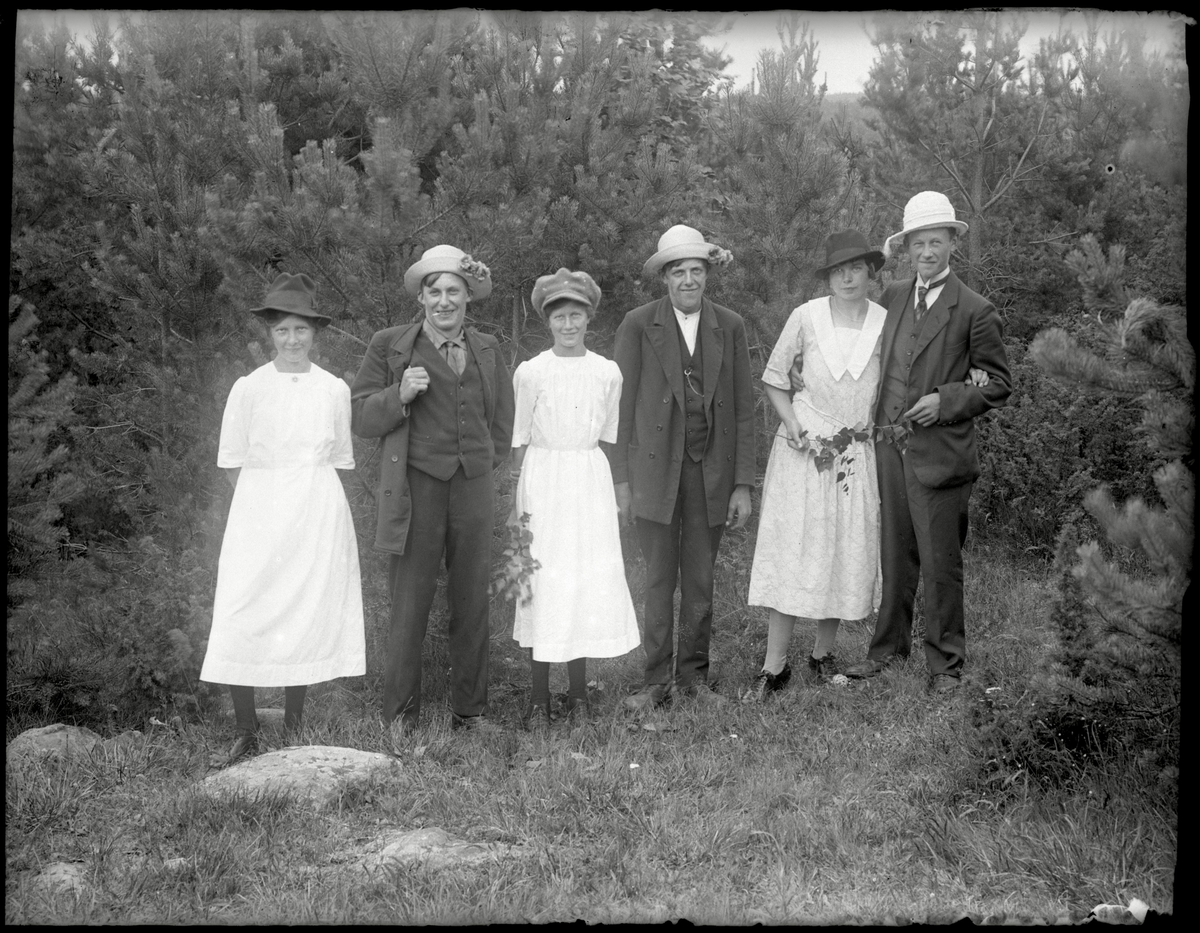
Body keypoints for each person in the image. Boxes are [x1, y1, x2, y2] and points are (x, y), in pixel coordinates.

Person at [751, 232, 992, 699]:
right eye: (838, 271)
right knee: (794, 550)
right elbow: (776, 378)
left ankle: (822, 654)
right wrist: (792, 422)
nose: (847, 278)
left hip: (856, 451)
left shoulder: (888, 319)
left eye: (857, 269)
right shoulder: (806, 316)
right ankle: (773, 666)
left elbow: (924, 361)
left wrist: (972, 371)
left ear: (871, 273)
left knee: (842, 549)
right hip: (805, 450)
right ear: (827, 277)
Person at [829, 192, 1011, 693]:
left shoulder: (974, 309)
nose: (926, 252)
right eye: (918, 244)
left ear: (952, 243)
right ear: (906, 248)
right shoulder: (891, 297)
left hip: (941, 455)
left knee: (940, 563)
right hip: (889, 449)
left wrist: (946, 399)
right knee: (895, 553)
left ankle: (946, 665)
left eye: (935, 242)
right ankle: (887, 651)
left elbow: (998, 383)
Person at [201, 273, 366, 765]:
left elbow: (338, 456)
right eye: (282, 331)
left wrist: (303, 506)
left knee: (304, 607)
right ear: (269, 334)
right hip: (259, 509)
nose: (293, 340)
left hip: (317, 509)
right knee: (244, 608)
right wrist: (264, 507)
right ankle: (246, 727)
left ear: (315, 333)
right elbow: (232, 460)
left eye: (301, 330)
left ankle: (294, 724)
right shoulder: (249, 388)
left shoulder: (333, 389)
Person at [350, 245, 515, 734]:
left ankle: (470, 712)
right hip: (416, 488)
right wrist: (398, 395)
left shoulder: (487, 348)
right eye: (435, 292)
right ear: (421, 298)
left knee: (472, 600)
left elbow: (501, 425)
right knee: (410, 601)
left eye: (454, 292)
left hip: (473, 489)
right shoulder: (390, 345)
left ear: (468, 297)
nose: (444, 301)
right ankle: (401, 716)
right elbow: (360, 417)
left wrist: (477, 464)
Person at [610, 224, 756, 710]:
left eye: (696, 271)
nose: (688, 280)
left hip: (709, 472)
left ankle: (694, 678)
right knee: (658, 577)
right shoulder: (638, 324)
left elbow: (743, 408)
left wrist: (742, 484)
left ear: (707, 275)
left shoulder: (729, 325)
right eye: (678, 272)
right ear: (664, 278)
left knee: (700, 579)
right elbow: (620, 408)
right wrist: (621, 481)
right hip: (653, 473)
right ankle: (655, 681)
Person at [509, 268, 641, 730]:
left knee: (582, 580)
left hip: (587, 480)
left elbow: (609, 436)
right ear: (547, 322)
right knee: (544, 581)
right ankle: (539, 698)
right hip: (543, 480)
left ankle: (579, 693)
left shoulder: (607, 372)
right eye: (559, 317)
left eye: (576, 315)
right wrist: (517, 504)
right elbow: (519, 439)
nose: (568, 325)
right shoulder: (531, 372)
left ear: (589, 318)